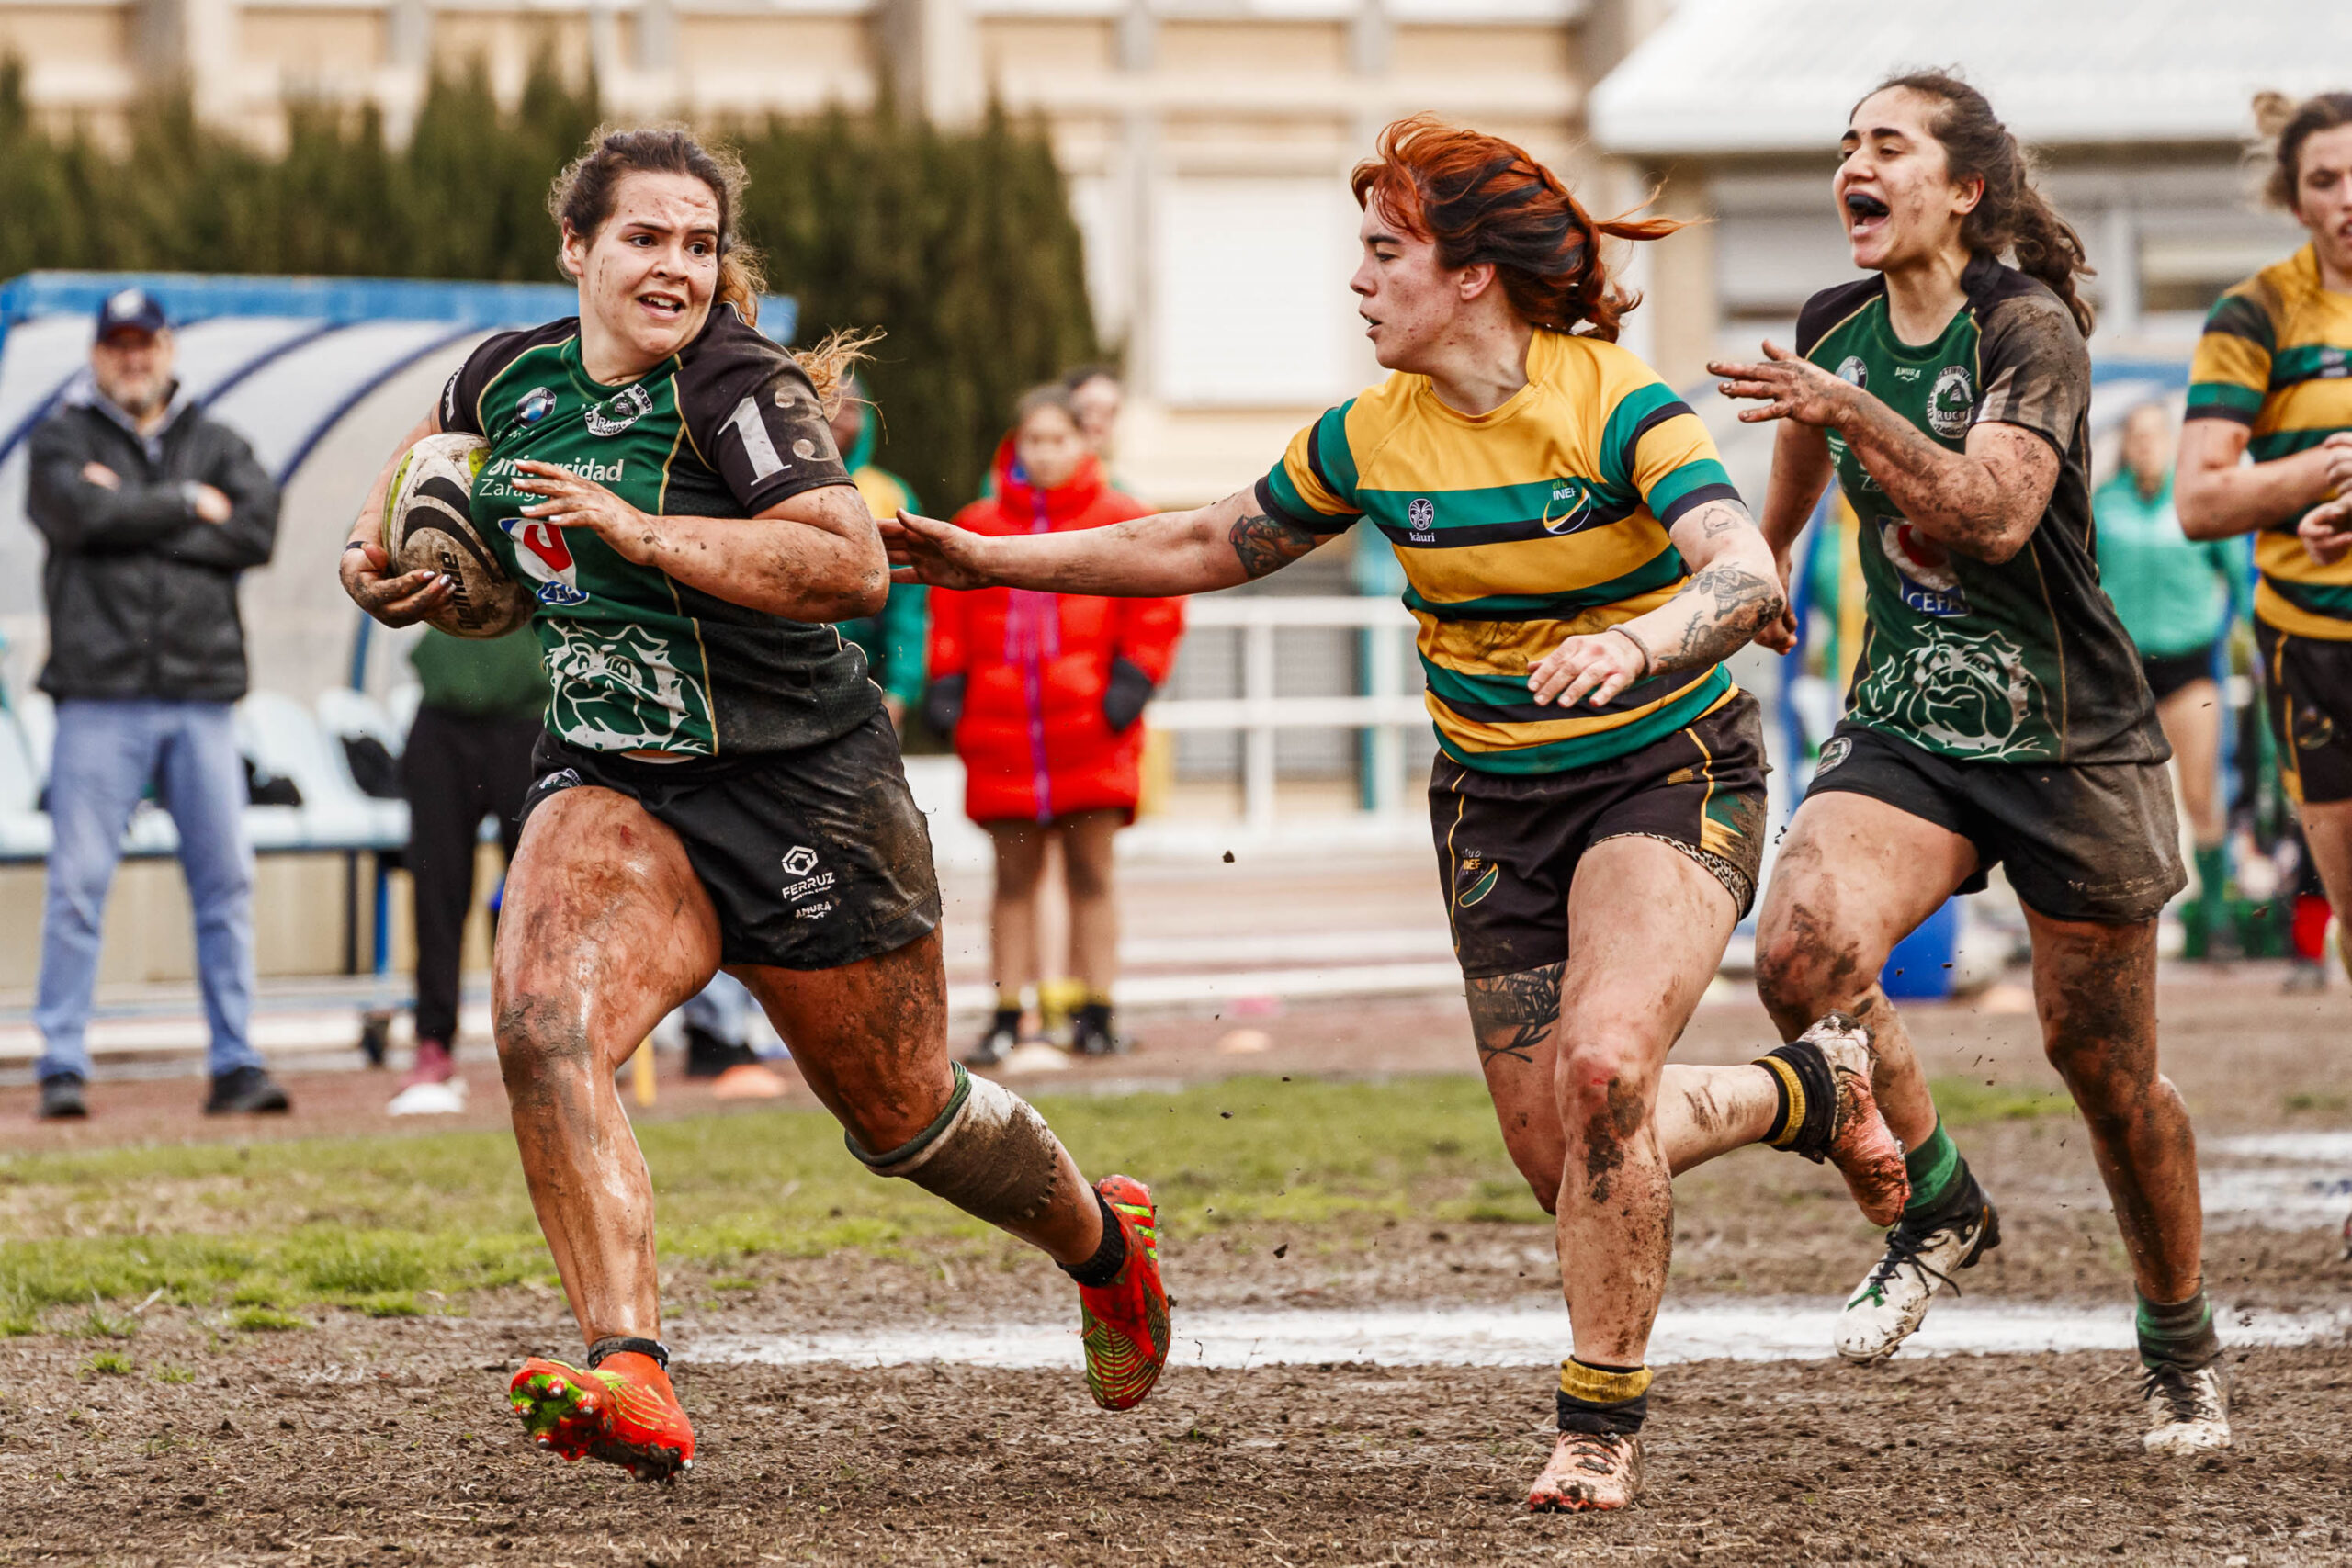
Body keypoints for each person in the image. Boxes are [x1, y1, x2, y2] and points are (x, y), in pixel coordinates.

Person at [889, 114, 1908, 1514]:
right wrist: (992, 561)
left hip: (1665, 769)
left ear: (1473, 274)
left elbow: (1741, 575)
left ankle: (1596, 1423)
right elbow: (1203, 538)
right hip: (1495, 801)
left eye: (1384, 253)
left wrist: (1644, 641)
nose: (1358, 281)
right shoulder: (1372, 433)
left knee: (1608, 1071)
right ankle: (1807, 1087)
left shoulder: (1619, 404)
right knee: (1563, 1150)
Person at [337, 127, 1170, 1482]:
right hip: (614, 773)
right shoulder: (506, 373)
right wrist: (377, 566)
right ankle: (633, 1371)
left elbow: (848, 565)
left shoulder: (737, 382)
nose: (675, 267)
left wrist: (643, 527)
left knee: (906, 1118)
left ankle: (1106, 1244)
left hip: (802, 785)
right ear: (578, 248)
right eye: (646, 239)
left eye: (698, 242)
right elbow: (420, 477)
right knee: (544, 1021)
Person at [1717, 70, 2227, 1455]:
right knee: (1801, 951)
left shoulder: (2029, 325)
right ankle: (1939, 1201)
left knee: (2104, 1069)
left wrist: (1843, 408)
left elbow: (1994, 515)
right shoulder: (1837, 324)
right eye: (1844, 149)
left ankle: (2179, 1339)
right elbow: (1807, 450)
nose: (1853, 170)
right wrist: (1769, 564)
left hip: (2073, 738)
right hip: (1912, 725)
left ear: (1965, 188)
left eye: (1887, 146)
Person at [27, 288, 289, 1122]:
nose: (133, 357)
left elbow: (256, 530)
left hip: (201, 698)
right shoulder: (60, 438)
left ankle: (235, 1064)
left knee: (225, 886)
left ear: (170, 348)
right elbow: (76, 517)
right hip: (97, 699)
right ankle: (62, 1063)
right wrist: (184, 503)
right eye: (118, 344)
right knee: (76, 886)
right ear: (97, 353)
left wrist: (126, 515)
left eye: (146, 343)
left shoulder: (220, 439)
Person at [925, 386, 1182, 1063]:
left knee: (1091, 876)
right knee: (1012, 880)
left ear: (1084, 443)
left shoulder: (1121, 518)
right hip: (1002, 735)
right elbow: (946, 617)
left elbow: (1157, 607)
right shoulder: (976, 522)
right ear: (1016, 444)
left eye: (1058, 440)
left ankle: (1093, 1009)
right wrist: (946, 688)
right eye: (1032, 440)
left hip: (1092, 732)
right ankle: (1010, 1012)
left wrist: (1131, 683)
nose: (1044, 453)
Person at [2177, 91, 2352, 980]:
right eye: (2325, 181)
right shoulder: (2256, 315)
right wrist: (2322, 478)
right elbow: (2200, 502)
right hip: (2314, 648)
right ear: (2297, 202)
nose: (2348, 197)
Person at [2095, 402, 2250, 958]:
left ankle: (2217, 925)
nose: (2147, 448)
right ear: (2126, 446)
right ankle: (2129, 926)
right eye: (2137, 438)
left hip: (2189, 671)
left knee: (2201, 794)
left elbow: (2240, 580)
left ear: (2172, 443)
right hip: (2125, 676)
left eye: (2156, 438)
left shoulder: (2196, 503)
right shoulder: (2103, 506)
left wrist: (2254, 646)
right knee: (2123, 805)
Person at [394, 626, 545, 1109]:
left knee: (535, 896)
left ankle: (546, 1039)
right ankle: (433, 1042)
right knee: (437, 889)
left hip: (528, 720)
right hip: (443, 723)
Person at [828, 372, 928, 729]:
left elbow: (910, 605)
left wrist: (901, 688)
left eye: (852, 407)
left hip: (866, 683)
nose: (838, 413)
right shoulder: (767, 488)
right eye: (826, 401)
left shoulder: (890, 496)